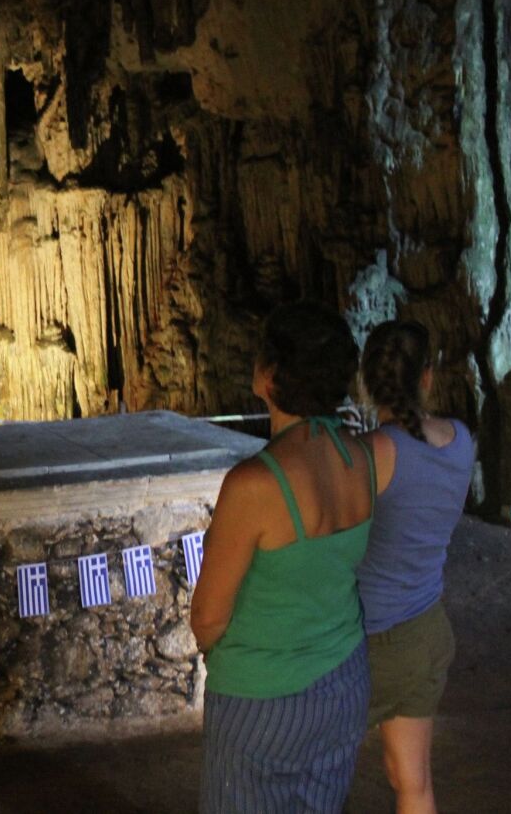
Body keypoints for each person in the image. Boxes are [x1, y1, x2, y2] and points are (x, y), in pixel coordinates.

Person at [192, 300, 375, 813]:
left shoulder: (254, 484)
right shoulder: (360, 457)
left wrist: (225, 660)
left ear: (271, 374)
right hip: (344, 682)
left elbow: (208, 615)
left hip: (262, 700)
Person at [356, 321, 474, 814]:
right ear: (427, 377)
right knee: (413, 781)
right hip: (426, 631)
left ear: (364, 382)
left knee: (311, 773)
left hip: (366, 641)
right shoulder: (462, 441)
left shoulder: (370, 454)